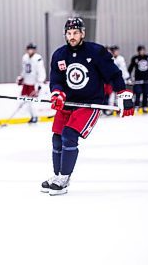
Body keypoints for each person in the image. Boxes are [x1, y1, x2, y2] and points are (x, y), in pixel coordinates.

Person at [42, 17, 134, 196]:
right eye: (69, 33)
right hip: (68, 104)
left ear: (82, 33)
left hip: (89, 104)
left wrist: (123, 94)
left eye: (75, 33)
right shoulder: (59, 55)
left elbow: (113, 74)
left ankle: (64, 178)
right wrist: (57, 93)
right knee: (57, 138)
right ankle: (57, 175)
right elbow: (56, 80)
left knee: (69, 135)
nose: (72, 37)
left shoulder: (96, 51)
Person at [17, 43, 46, 123]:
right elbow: (24, 70)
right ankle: (31, 115)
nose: (30, 51)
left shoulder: (38, 58)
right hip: (26, 82)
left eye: (32, 49)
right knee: (26, 101)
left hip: (34, 83)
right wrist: (21, 77)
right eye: (29, 49)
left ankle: (35, 116)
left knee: (33, 102)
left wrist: (40, 82)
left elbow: (41, 71)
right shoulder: (25, 57)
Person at [128, 45, 148, 114]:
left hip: (146, 80)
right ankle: (136, 107)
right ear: (138, 51)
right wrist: (129, 77)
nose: (142, 52)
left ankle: (144, 107)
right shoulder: (135, 58)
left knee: (145, 94)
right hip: (138, 80)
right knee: (138, 93)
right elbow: (130, 68)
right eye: (141, 50)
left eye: (143, 50)